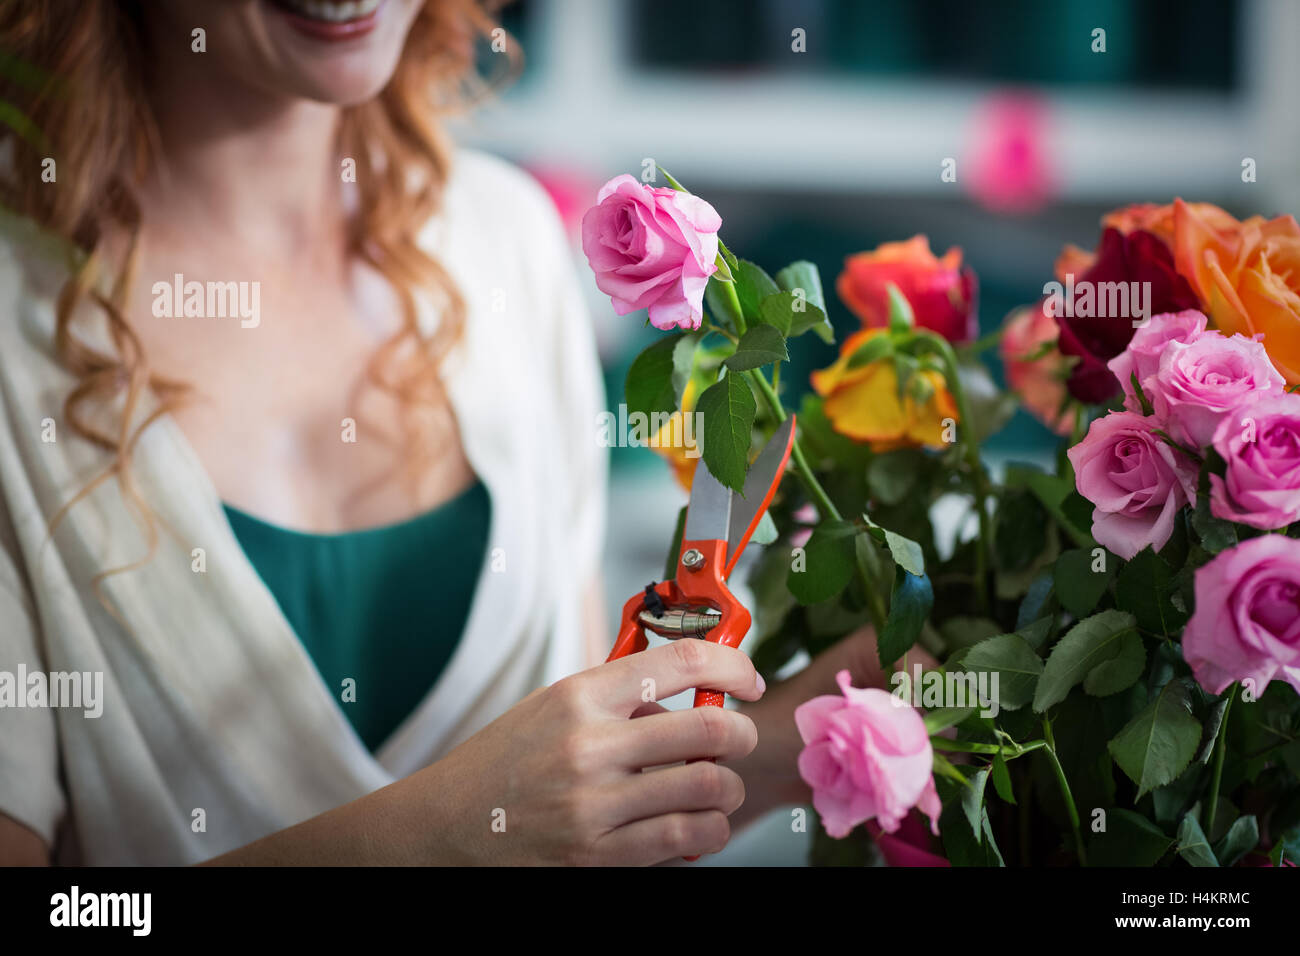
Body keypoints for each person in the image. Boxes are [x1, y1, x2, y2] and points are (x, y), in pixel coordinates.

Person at [0, 0, 888, 866]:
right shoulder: (14, 316)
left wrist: (786, 749)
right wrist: (453, 826)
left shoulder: (508, 243)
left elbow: (578, 821)